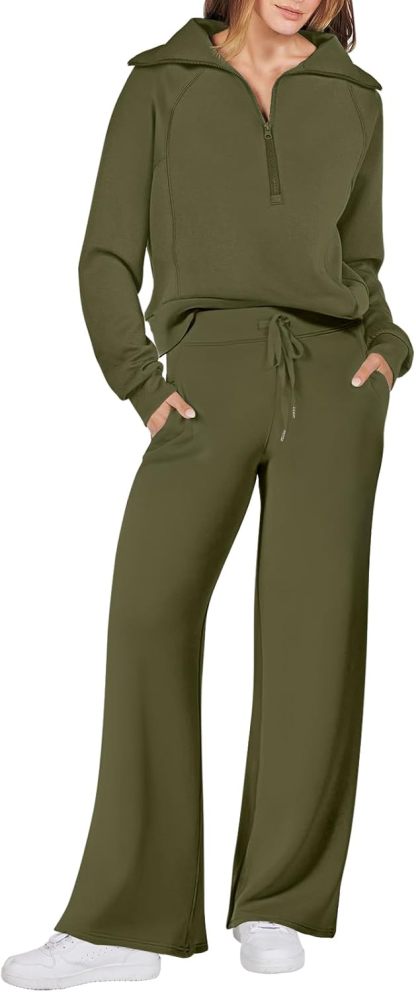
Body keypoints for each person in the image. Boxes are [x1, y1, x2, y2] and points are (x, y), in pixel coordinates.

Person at [2, 0, 413, 984]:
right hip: (203, 377)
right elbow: (106, 256)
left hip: (333, 381)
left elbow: (358, 263)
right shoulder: (162, 83)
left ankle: (278, 899)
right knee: (148, 612)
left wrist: (387, 352)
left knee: (313, 638)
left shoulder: (355, 98)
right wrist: (142, 386)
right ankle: (125, 923)